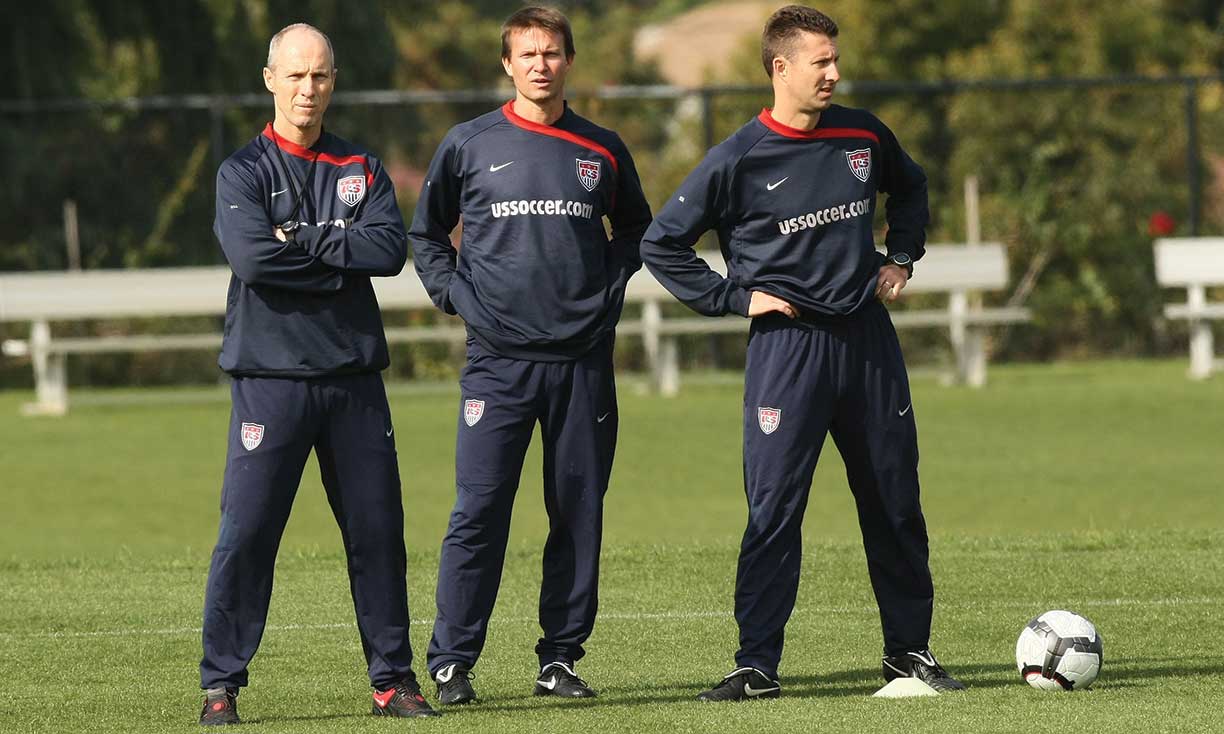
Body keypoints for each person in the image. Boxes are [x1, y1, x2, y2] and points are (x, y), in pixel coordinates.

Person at [639, 5, 965, 701]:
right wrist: (735, 298)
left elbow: (911, 188)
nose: (834, 73)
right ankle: (756, 666)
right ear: (780, 68)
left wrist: (901, 256)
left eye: (835, 60)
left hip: (868, 344)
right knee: (775, 510)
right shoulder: (737, 158)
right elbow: (661, 243)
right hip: (788, 352)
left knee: (894, 500)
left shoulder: (863, 133)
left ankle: (909, 654)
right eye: (821, 62)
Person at [408, 5, 652, 706]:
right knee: (479, 510)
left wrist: (607, 287)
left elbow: (636, 229)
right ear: (507, 65)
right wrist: (456, 298)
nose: (540, 64)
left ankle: (559, 660)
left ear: (568, 61)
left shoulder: (601, 148)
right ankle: (453, 661)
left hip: (582, 362)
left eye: (551, 52)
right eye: (527, 54)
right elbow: (426, 235)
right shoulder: (469, 144)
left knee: (577, 508)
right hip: (498, 363)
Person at [198, 23, 438, 724]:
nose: (309, 89)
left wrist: (300, 237)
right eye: (296, 75)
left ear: (334, 82)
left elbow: (389, 249)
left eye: (321, 76)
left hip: (355, 382)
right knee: (247, 534)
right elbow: (252, 261)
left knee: (376, 533)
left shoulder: (360, 165)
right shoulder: (242, 171)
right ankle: (221, 686)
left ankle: (393, 681)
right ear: (270, 78)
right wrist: (340, 248)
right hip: (269, 381)